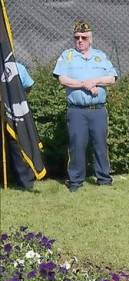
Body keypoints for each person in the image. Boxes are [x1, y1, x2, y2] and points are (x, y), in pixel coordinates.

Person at [52, 20, 117, 192]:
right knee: (77, 145)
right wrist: (84, 84)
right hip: (77, 111)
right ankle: (75, 182)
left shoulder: (100, 56)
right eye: (77, 37)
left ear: (91, 39)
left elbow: (112, 78)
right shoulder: (67, 56)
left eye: (84, 37)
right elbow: (62, 79)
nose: (80, 40)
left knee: (100, 145)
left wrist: (95, 81)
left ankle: (104, 180)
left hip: (98, 110)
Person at [4, 62, 36, 191]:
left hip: (13, 112)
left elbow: (28, 85)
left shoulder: (17, 67)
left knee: (17, 145)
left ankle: (25, 181)